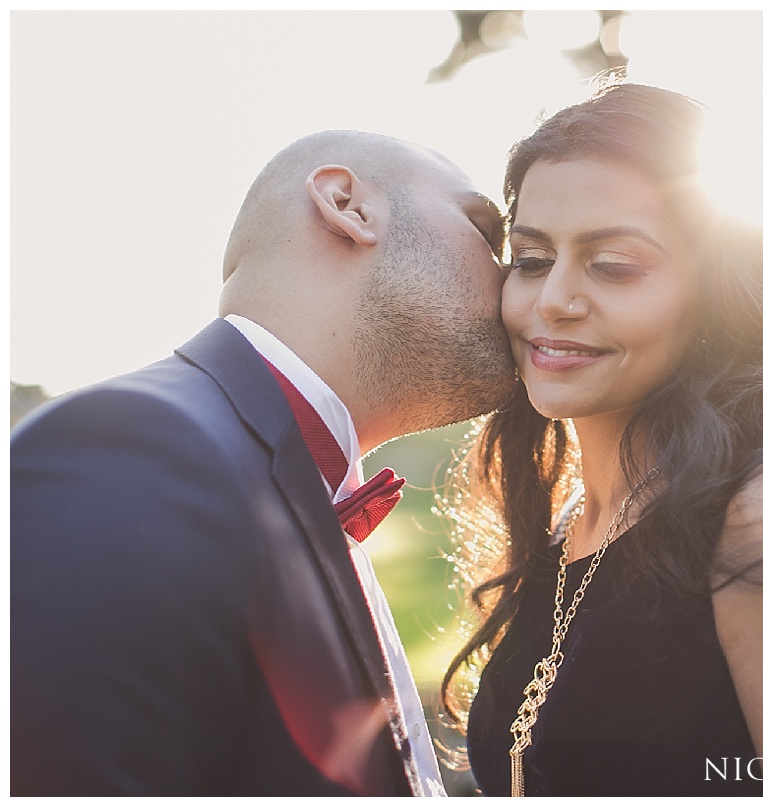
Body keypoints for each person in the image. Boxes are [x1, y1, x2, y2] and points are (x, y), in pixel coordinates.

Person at [440, 83, 763, 796]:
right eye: (530, 259)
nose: (553, 297)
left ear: (713, 292)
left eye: (613, 264)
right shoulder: (564, 528)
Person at [11, 130, 516, 796]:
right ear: (347, 205)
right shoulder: (131, 450)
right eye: (488, 232)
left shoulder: (287, 485)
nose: (520, 279)